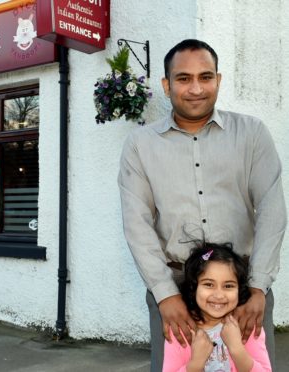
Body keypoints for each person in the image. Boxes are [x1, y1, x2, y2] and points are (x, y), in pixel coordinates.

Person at [118, 38, 286, 372]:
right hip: (175, 288)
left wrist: (257, 287)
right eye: (183, 78)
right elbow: (136, 222)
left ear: (218, 80)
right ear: (167, 85)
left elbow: (272, 210)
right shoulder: (140, 145)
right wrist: (165, 294)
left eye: (205, 77)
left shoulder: (252, 134)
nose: (196, 88)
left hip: (243, 286)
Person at [163, 242, 271, 371]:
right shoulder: (181, 329)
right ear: (194, 287)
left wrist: (237, 349)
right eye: (209, 284)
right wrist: (196, 363)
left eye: (228, 286)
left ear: (239, 290)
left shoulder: (247, 325)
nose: (219, 295)